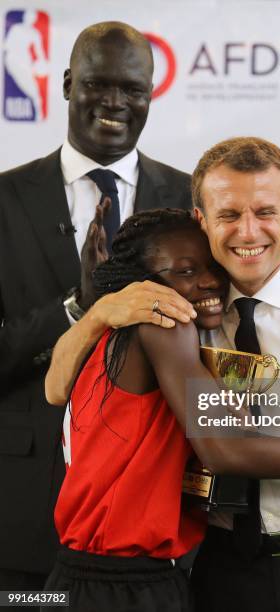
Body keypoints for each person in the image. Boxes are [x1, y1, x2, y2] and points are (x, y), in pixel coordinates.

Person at [47, 137, 280, 612]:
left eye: (265, 212)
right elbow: (56, 388)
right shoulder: (179, 312)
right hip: (218, 570)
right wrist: (99, 311)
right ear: (202, 220)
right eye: (228, 215)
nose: (248, 232)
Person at [0, 21, 194, 597]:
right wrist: (79, 308)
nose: (115, 103)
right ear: (66, 84)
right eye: (98, 84)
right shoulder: (6, 200)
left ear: (150, 96)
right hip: (24, 513)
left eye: (133, 90)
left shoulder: (190, 201)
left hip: (150, 523)